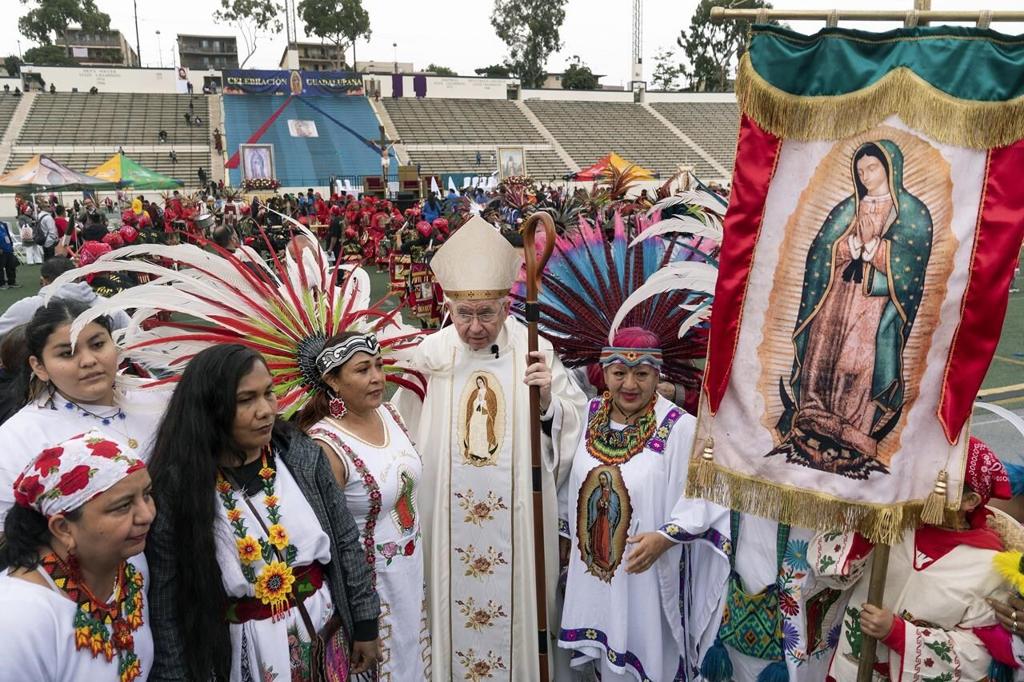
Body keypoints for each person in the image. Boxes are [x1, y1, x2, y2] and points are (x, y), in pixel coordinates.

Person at [393, 216, 588, 680]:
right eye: (466, 314)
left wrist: (547, 405)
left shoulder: (533, 348)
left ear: (506, 307)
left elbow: (572, 423)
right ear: (450, 307)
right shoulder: (432, 354)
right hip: (446, 520)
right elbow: (402, 437)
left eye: (488, 313)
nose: (476, 327)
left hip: (520, 521)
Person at [145, 344, 382, 680]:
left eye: (268, 393)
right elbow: (166, 601)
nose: (266, 410)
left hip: (323, 631)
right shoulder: (178, 488)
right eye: (246, 400)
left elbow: (344, 540)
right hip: (242, 650)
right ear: (210, 408)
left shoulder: (299, 455)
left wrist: (365, 621)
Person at [771, 140, 932, 478]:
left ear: (890, 169)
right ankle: (815, 414)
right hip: (836, 298)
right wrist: (850, 245)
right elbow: (821, 250)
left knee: (857, 362)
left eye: (872, 168)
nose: (865, 176)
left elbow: (912, 266)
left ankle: (855, 425)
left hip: (874, 302)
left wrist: (876, 247)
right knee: (823, 354)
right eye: (860, 171)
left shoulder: (912, 212)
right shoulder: (849, 206)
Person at [809, 436, 1015, 681]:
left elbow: (977, 655)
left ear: (971, 501)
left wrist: (898, 634)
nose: (923, 484)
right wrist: (865, 529)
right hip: (849, 671)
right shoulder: (894, 520)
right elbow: (827, 570)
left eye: (939, 479)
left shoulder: (990, 565)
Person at [298, 332, 431, 680]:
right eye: (362, 370)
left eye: (378, 365)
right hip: (370, 591)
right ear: (333, 381)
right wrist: (361, 620)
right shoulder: (327, 444)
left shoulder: (389, 413)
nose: (377, 378)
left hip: (411, 577)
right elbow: (331, 541)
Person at [0, 430, 156, 681]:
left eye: (147, 494)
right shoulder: (17, 618)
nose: (147, 515)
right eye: (123, 506)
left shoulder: (130, 566)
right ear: (63, 529)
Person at [0, 299, 167, 524]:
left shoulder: (158, 397)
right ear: (39, 366)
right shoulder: (19, 437)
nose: (88, 361)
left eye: (98, 344)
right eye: (67, 353)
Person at [0, 218, 17, 290]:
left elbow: (8, 235)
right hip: (1, 250)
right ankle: (1, 284)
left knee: (11, 266)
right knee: (0, 267)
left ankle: (11, 282)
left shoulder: (3, 224)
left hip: (8, 248)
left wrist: (11, 245)